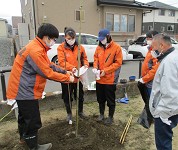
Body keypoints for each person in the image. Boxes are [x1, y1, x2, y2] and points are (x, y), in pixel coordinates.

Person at [6, 23, 75, 150]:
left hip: (21, 89)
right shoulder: (35, 51)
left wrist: (64, 71)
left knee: (24, 116)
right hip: (25, 91)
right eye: (53, 39)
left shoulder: (37, 47)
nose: (54, 42)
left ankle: (23, 139)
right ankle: (33, 147)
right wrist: (68, 78)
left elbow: (49, 65)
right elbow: (47, 72)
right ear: (46, 37)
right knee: (32, 120)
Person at [149, 34, 178, 150]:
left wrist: (161, 113)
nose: (152, 51)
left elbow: (169, 90)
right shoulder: (173, 56)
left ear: (161, 45)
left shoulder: (169, 62)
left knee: (163, 144)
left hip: (165, 111)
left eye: (153, 47)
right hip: (171, 108)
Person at [57, 27, 89, 122]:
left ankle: (80, 112)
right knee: (67, 96)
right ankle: (69, 114)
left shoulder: (80, 47)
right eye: (68, 38)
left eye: (72, 38)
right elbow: (62, 62)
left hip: (78, 76)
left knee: (80, 95)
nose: (70, 40)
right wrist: (72, 68)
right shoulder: (61, 48)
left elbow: (85, 58)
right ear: (65, 38)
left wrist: (86, 65)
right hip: (67, 76)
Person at [93, 29, 122, 125]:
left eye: (103, 39)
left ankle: (110, 117)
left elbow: (118, 63)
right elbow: (95, 58)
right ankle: (101, 114)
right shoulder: (98, 48)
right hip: (100, 79)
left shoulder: (116, 48)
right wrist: (95, 68)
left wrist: (105, 71)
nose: (102, 41)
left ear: (108, 37)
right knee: (100, 98)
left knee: (110, 99)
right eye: (100, 39)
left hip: (110, 79)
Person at [137, 30, 159, 129]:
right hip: (146, 81)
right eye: (147, 38)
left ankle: (153, 118)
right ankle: (151, 117)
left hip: (151, 82)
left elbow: (155, 69)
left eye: (149, 38)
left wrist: (144, 79)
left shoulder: (156, 50)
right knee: (148, 100)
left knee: (152, 101)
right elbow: (148, 65)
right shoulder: (150, 49)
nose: (147, 40)